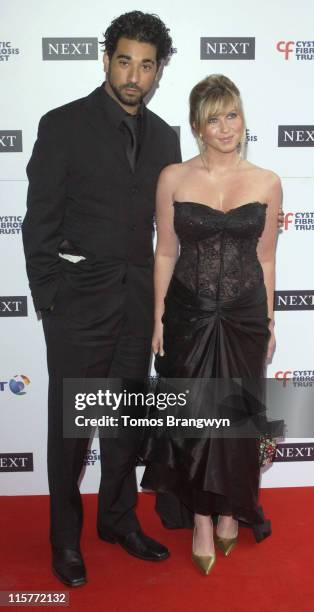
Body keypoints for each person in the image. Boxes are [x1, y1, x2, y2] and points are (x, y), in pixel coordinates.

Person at [22, 11, 181, 587]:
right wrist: (52, 299)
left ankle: (118, 519)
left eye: (146, 64)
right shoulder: (63, 124)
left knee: (123, 426)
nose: (134, 75)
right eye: (124, 61)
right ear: (105, 59)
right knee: (69, 431)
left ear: (159, 69)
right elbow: (38, 223)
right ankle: (65, 539)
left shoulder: (166, 135)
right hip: (78, 308)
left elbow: (165, 231)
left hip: (137, 306)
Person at [141, 74, 282, 575]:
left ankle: (229, 512)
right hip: (188, 313)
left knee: (235, 418)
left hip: (243, 314)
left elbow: (265, 259)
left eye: (232, 115)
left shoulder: (266, 181)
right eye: (214, 118)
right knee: (193, 420)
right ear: (197, 125)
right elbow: (164, 251)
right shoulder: (173, 177)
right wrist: (157, 315)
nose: (225, 128)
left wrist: (268, 318)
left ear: (242, 118)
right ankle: (201, 517)